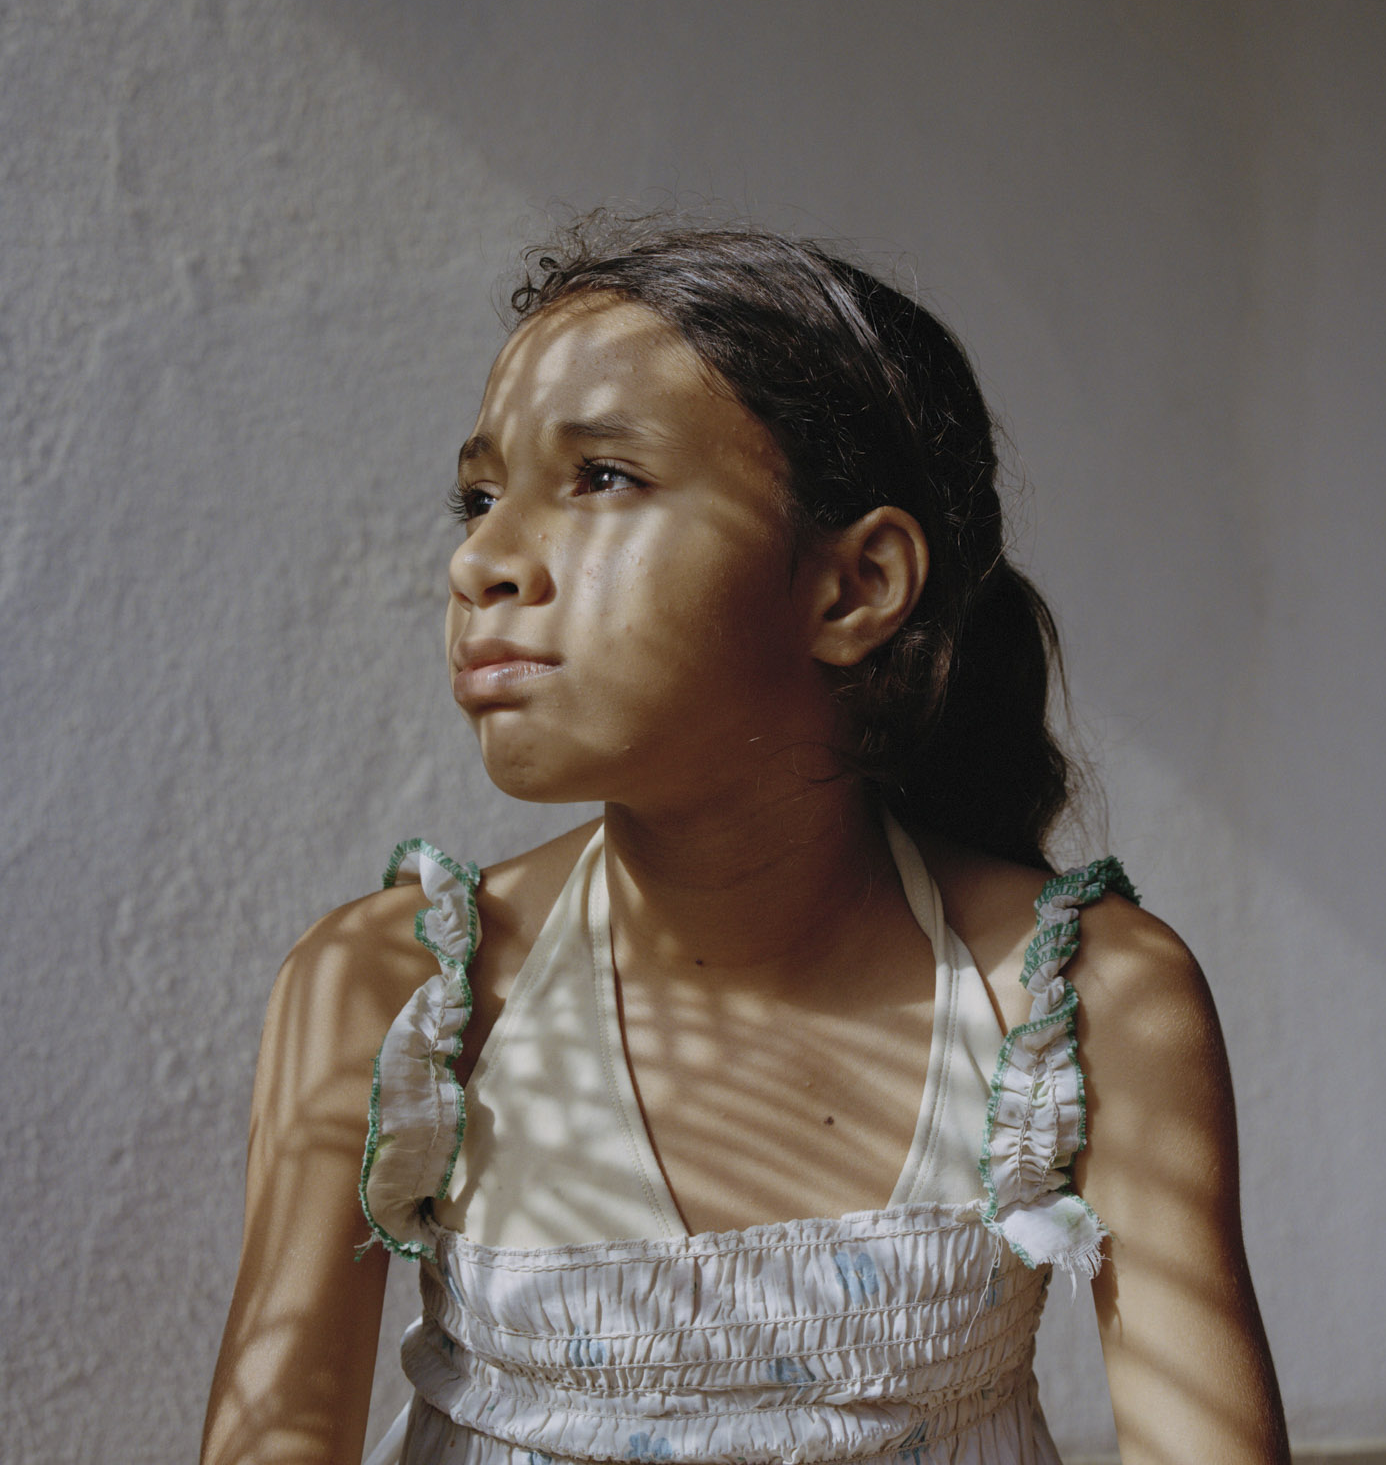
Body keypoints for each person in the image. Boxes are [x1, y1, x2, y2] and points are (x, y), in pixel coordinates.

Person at [200, 218, 1289, 1465]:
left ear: (853, 587)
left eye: (603, 478)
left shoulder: (1083, 1005)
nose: (481, 561)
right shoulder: (400, 994)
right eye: (480, 497)